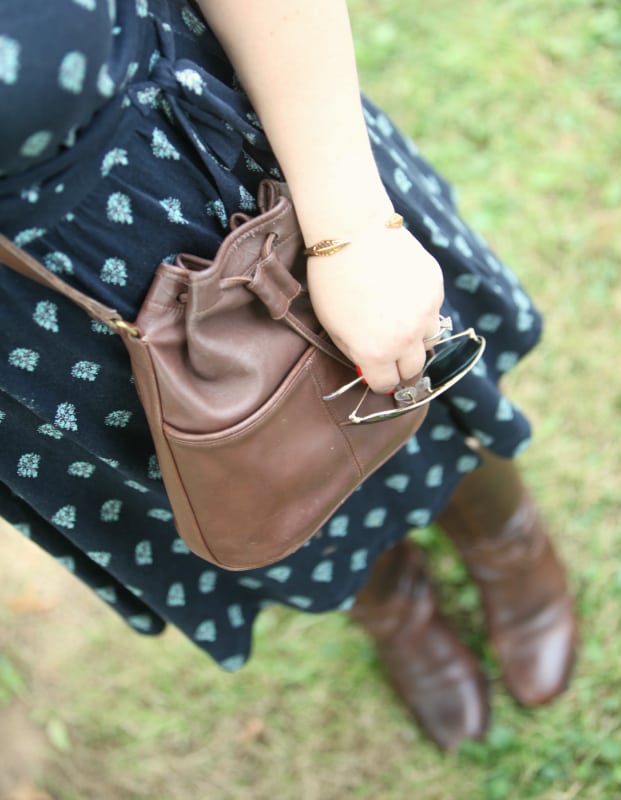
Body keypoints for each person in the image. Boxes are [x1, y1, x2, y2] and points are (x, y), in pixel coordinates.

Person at [0, 0, 577, 750]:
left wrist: (350, 231)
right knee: (251, 486)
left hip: (190, 169)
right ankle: (392, 602)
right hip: (30, 345)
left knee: (396, 375)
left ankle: (506, 540)